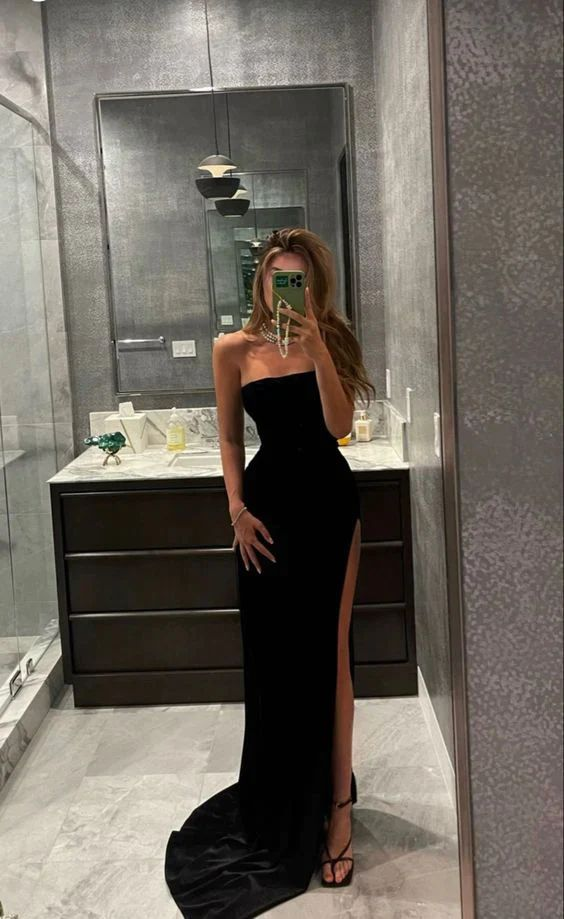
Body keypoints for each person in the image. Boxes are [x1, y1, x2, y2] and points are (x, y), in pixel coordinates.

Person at [165, 227, 376, 918]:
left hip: (328, 508)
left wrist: (317, 349)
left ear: (313, 286)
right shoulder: (233, 349)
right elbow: (229, 436)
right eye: (278, 278)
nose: (287, 290)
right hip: (265, 514)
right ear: (259, 282)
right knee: (273, 660)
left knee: (331, 659)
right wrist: (236, 509)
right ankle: (278, 794)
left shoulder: (330, 338)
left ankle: (338, 811)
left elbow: (339, 427)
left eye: (299, 280)